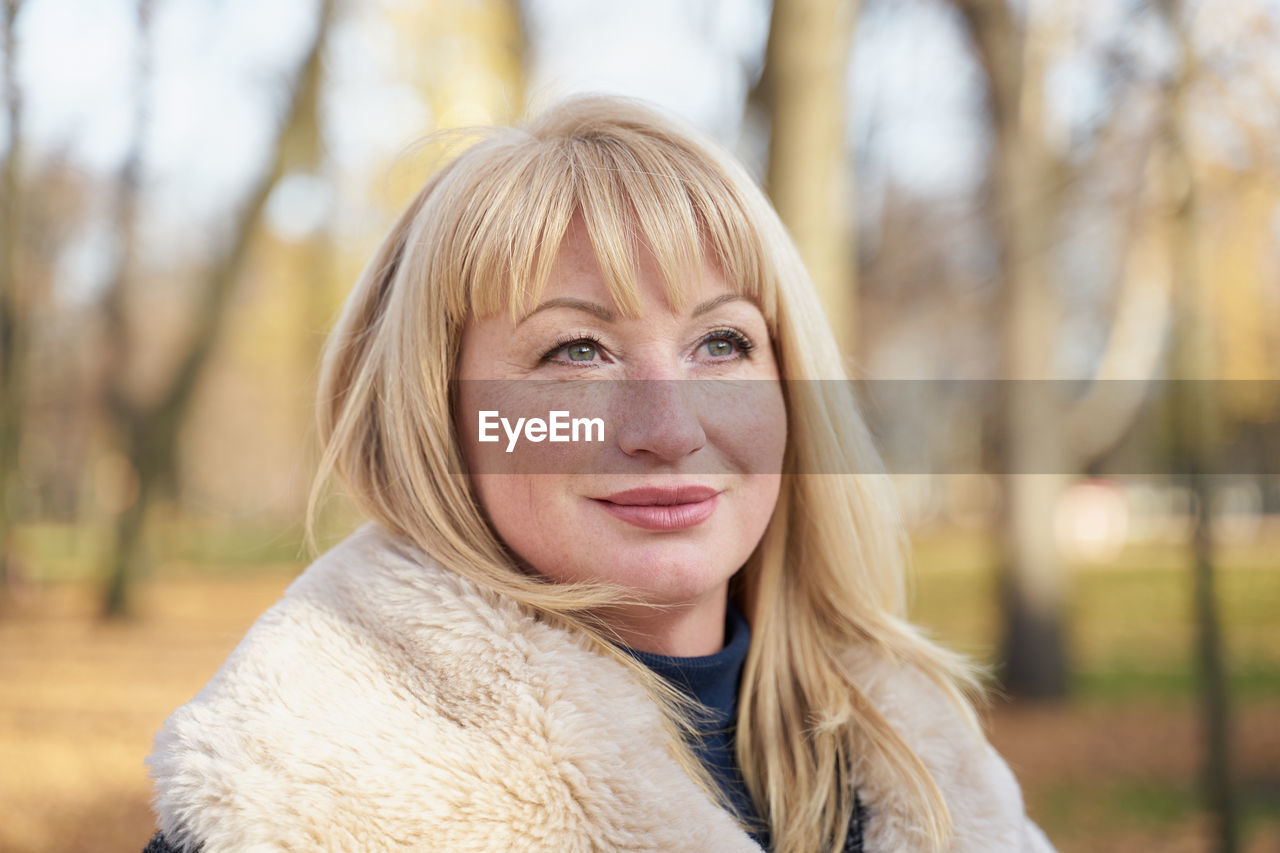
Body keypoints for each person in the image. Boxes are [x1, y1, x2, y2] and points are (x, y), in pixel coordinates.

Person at [144, 96, 1054, 852]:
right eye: (575, 349)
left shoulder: (925, 761)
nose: (668, 428)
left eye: (723, 342)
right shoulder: (291, 794)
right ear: (441, 421)